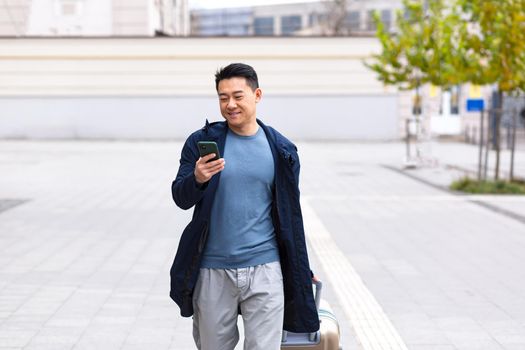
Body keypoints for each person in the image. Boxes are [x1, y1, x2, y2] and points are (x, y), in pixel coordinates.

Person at [170, 63, 319, 350]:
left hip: (265, 269)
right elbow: (180, 197)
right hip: (212, 269)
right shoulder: (202, 141)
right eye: (223, 97)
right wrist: (198, 179)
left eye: (238, 96)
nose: (230, 104)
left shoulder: (282, 150)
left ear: (257, 95)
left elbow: (290, 215)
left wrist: (301, 266)